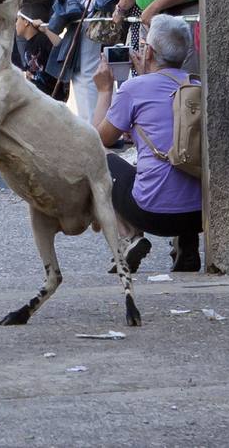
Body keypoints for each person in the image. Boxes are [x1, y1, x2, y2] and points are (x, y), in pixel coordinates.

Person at [91, 15, 203, 273]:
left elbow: (97, 142)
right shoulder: (198, 85)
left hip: (152, 213)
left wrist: (105, 91)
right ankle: (188, 246)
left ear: (149, 51)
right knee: (188, 158)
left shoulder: (134, 89)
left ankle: (130, 238)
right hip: (199, 216)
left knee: (98, 160)